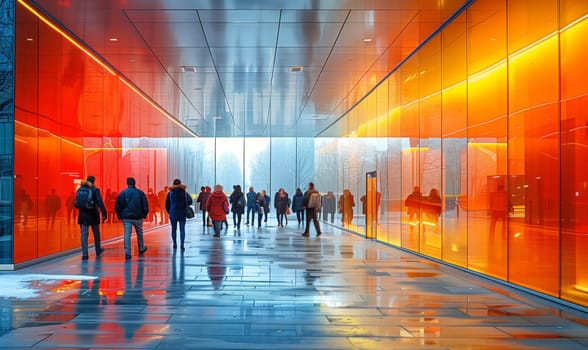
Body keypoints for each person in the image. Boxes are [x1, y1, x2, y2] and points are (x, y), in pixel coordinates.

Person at [115, 177, 149, 259]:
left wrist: (120, 215)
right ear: (135, 183)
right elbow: (145, 206)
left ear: (127, 183)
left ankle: (127, 253)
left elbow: (117, 205)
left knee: (127, 234)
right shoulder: (140, 193)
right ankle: (141, 248)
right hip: (138, 217)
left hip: (126, 217)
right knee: (139, 233)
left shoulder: (122, 193)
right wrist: (144, 215)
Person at [75, 176, 107, 260]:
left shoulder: (80, 189)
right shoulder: (94, 189)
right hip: (93, 214)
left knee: (84, 234)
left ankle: (85, 254)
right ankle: (98, 249)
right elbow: (100, 202)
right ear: (93, 181)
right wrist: (104, 213)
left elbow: (76, 202)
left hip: (82, 215)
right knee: (96, 232)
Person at [165, 179, 193, 250]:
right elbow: (190, 201)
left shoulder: (170, 193)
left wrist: (170, 211)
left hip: (173, 213)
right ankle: (182, 245)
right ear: (180, 184)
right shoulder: (184, 192)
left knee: (173, 229)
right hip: (182, 213)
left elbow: (167, 204)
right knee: (182, 229)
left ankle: (174, 243)